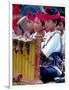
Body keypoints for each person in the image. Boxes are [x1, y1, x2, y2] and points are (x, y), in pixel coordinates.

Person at [40, 8, 65, 83]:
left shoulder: (56, 35)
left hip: (54, 68)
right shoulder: (47, 34)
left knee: (42, 71)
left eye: (48, 21)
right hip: (45, 66)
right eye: (45, 21)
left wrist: (36, 46)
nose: (45, 23)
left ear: (55, 22)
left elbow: (44, 54)